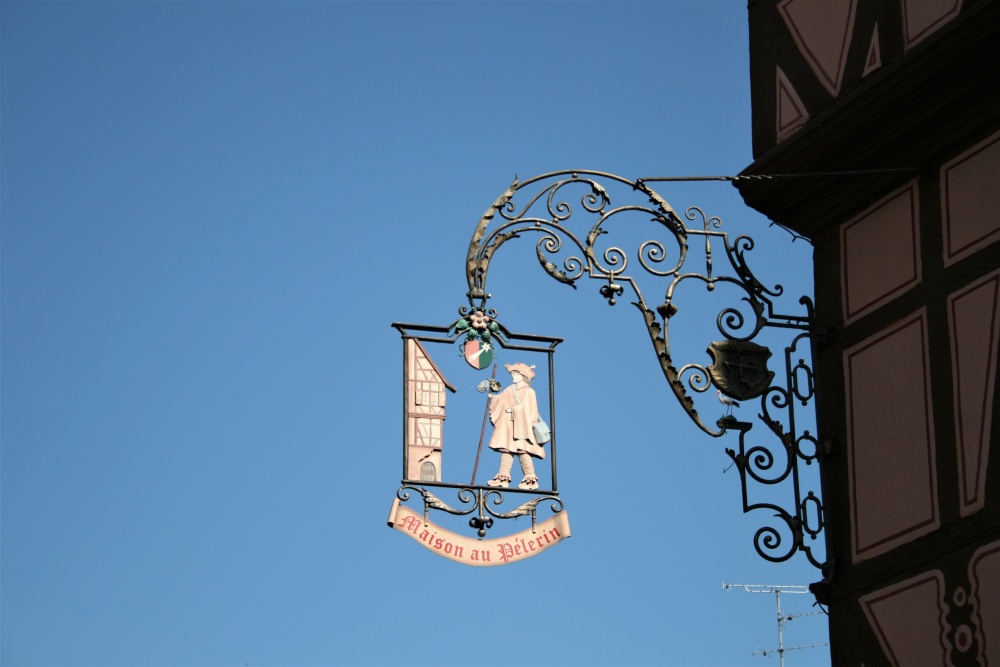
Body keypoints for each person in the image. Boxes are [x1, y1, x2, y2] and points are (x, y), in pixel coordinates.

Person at [486, 362, 545, 490]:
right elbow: (500, 399)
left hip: (522, 429)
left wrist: (513, 410)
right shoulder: (510, 389)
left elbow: (531, 410)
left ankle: (530, 480)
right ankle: (503, 478)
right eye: (512, 374)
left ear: (523, 376)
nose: (513, 376)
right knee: (507, 451)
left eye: (516, 374)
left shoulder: (529, 391)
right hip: (509, 428)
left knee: (523, 452)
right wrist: (492, 395)